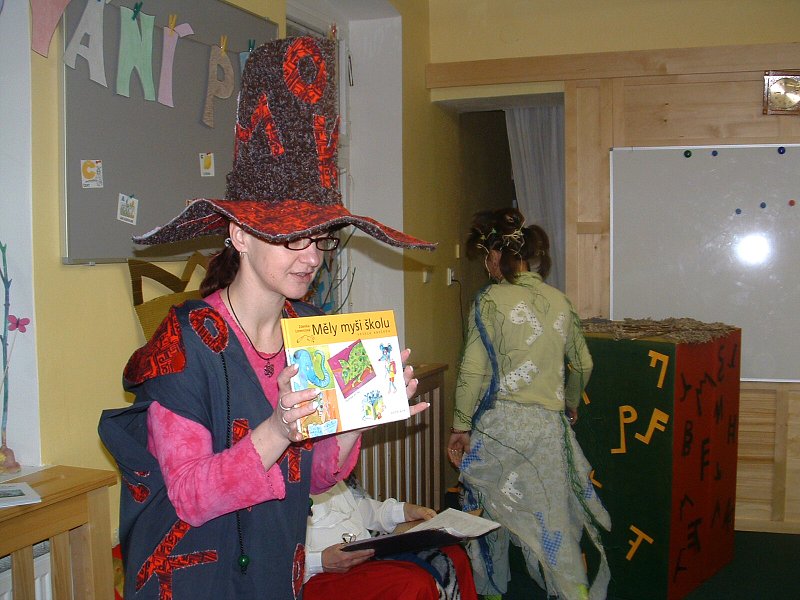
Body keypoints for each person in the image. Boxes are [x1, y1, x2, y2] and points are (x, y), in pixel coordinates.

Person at [98, 36, 435, 600]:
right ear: (240, 234)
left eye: (320, 238)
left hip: (277, 572)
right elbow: (189, 496)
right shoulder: (184, 342)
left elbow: (317, 475)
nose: (312, 256)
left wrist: (358, 416)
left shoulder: (312, 331)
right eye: (291, 238)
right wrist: (278, 429)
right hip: (196, 582)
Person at [446, 208, 611, 600]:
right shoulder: (560, 301)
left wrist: (460, 426)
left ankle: (490, 590)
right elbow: (583, 364)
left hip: (499, 427)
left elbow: (472, 369)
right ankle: (574, 592)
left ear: (498, 255)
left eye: (487, 256)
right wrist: (570, 403)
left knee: (487, 506)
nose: (486, 265)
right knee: (553, 516)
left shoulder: (489, 300)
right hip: (547, 428)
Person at [303, 476, 478, 600]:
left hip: (363, 556)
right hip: (318, 577)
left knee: (454, 554)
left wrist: (405, 511)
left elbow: (359, 507)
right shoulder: (289, 475)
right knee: (413, 584)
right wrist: (322, 561)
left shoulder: (326, 465)